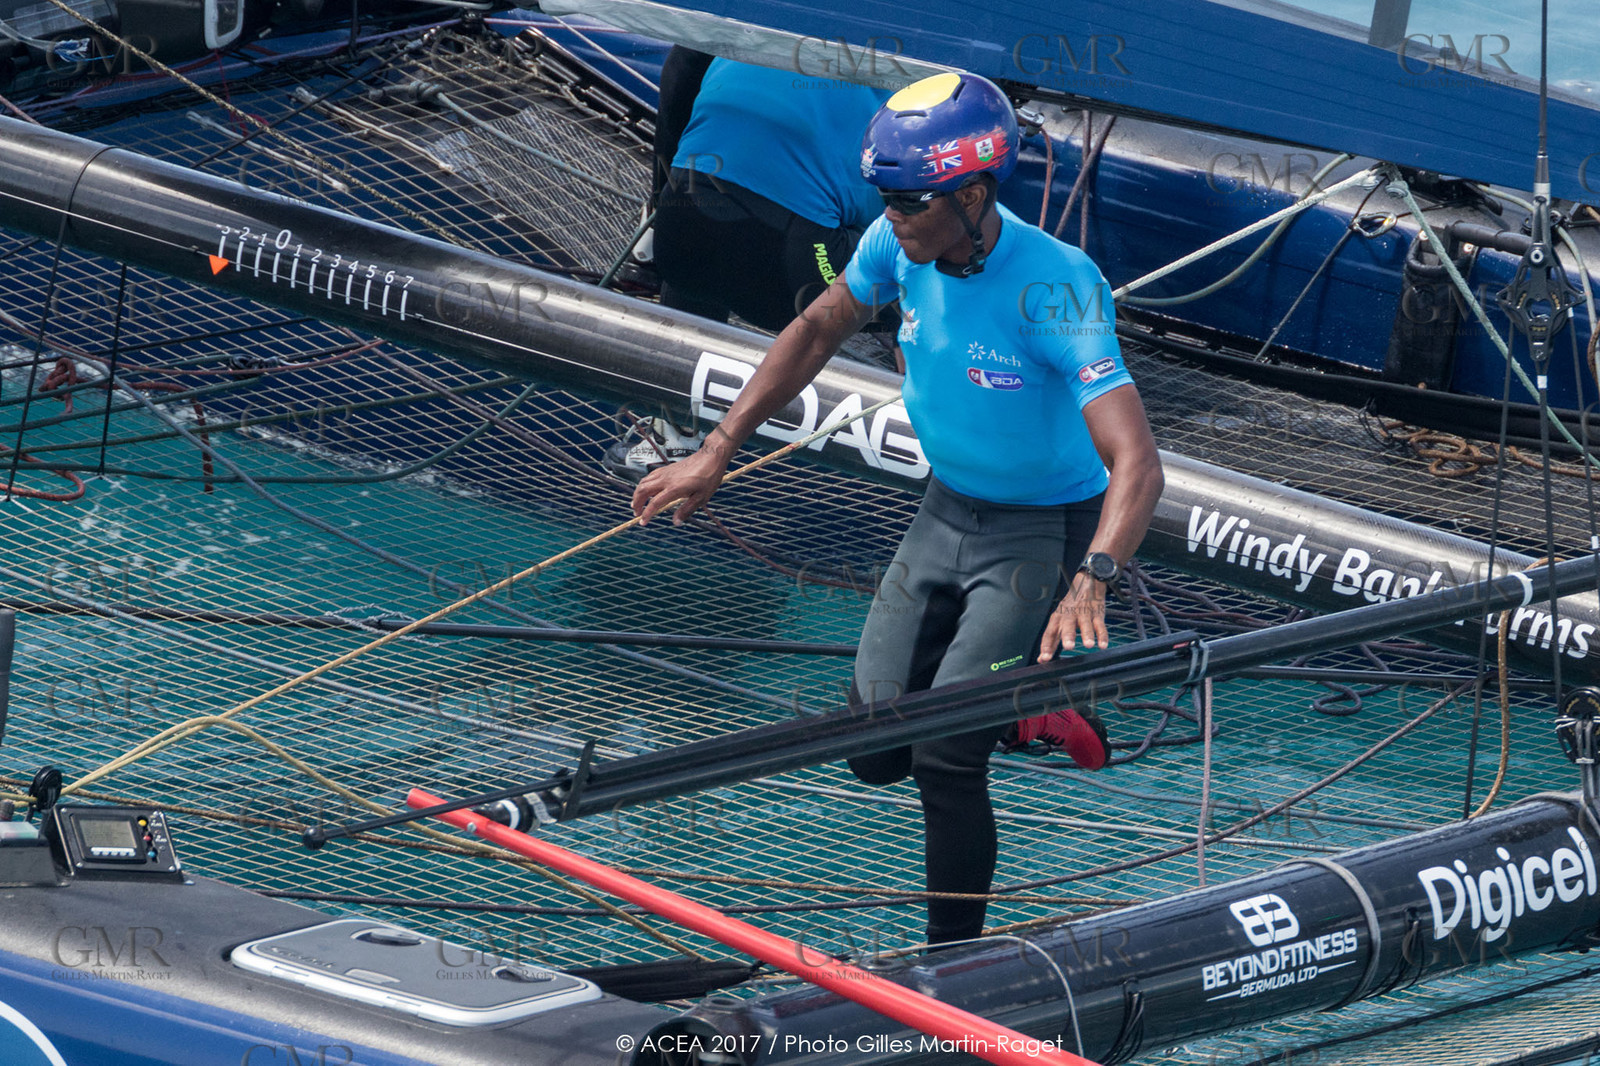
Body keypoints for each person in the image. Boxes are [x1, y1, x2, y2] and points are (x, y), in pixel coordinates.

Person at [632, 72, 1164, 946]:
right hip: (945, 514)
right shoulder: (893, 241)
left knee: (945, 758)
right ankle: (1028, 707)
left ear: (975, 194)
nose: (893, 215)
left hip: (1041, 531)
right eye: (886, 197)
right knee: (875, 748)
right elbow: (812, 329)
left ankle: (955, 967)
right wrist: (717, 452)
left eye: (911, 201)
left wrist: (1093, 579)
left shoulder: (1058, 286)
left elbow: (1136, 459)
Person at [649, 48, 891, 332]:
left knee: (705, 250)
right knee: (923, 275)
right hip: (793, 271)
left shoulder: (757, 11)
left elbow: (682, 68)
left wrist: (660, 200)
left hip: (676, 240)